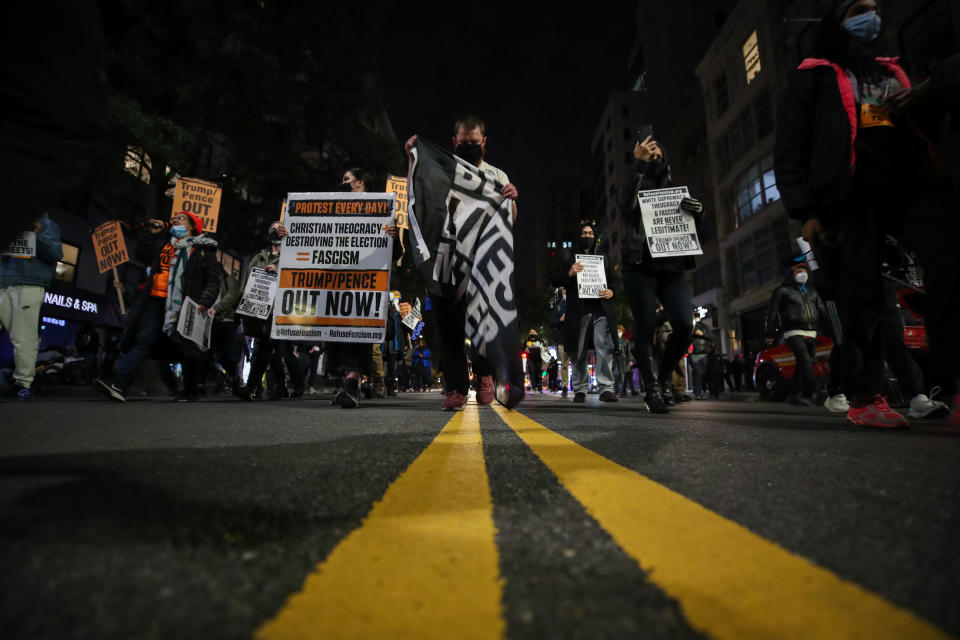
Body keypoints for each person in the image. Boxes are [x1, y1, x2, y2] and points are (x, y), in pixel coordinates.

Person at [773, 0, 957, 427]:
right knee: (864, 297)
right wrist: (806, 212)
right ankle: (864, 396)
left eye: (875, 7)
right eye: (859, 8)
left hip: (914, 187)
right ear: (838, 20)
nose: (871, 16)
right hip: (850, 197)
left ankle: (948, 385)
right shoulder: (812, 77)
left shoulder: (892, 70)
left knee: (948, 268)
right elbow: (790, 150)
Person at [404, 115, 519, 410]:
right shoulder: (442, 171)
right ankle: (455, 387)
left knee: (481, 317)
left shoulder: (497, 176)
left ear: (484, 142)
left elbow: (510, 218)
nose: (469, 146)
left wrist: (511, 200)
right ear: (454, 142)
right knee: (447, 323)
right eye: (463, 142)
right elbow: (418, 196)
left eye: (474, 142)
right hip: (445, 258)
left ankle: (483, 374)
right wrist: (413, 160)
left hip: (480, 262)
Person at [616, 132, 703, 413]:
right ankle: (651, 387)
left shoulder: (677, 190)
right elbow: (626, 206)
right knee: (644, 326)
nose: (653, 160)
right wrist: (638, 166)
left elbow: (690, 233)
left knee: (684, 325)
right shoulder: (632, 184)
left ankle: (663, 379)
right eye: (648, 155)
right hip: (639, 267)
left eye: (657, 156)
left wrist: (696, 213)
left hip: (672, 268)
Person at [233, 220, 305, 402]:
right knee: (267, 351)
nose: (275, 231)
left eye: (278, 228)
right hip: (261, 312)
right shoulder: (259, 257)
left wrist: (279, 271)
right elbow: (247, 282)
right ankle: (278, 387)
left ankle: (292, 385)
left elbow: (298, 278)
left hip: (282, 311)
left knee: (279, 352)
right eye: (272, 228)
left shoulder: (291, 257)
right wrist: (241, 305)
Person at [552, 221, 619, 403]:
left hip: (601, 309)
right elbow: (554, 279)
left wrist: (612, 291)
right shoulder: (568, 255)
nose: (587, 236)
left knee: (603, 347)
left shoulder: (604, 257)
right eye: (584, 233)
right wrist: (569, 273)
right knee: (578, 350)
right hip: (578, 309)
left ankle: (606, 388)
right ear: (578, 235)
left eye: (590, 233)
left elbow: (615, 281)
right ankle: (580, 389)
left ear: (595, 236)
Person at [0, 213, 62, 400]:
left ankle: (22, 384)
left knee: (24, 337)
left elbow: (55, 253)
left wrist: (34, 234)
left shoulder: (46, 224)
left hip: (28, 283)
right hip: (2, 280)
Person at [764, 259, 828, 406]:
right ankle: (816, 391)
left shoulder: (811, 291)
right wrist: (769, 333)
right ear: (790, 274)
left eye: (804, 270)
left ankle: (795, 393)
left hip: (811, 331)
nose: (802, 274)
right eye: (798, 271)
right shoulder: (782, 291)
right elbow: (772, 312)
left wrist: (830, 327)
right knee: (805, 359)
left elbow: (822, 310)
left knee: (803, 363)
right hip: (792, 331)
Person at [689, 317, 712, 400]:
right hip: (694, 354)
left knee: (703, 373)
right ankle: (697, 393)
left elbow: (711, 337)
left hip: (704, 353)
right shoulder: (691, 327)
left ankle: (703, 391)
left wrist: (702, 334)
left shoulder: (705, 327)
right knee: (697, 373)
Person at [524, 329, 545, 393]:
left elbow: (544, 347)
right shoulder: (527, 340)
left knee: (538, 374)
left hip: (538, 359)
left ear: (536, 333)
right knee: (532, 372)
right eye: (531, 332)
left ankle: (539, 388)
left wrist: (544, 349)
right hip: (530, 359)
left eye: (533, 332)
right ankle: (533, 388)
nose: (532, 333)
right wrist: (525, 350)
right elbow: (522, 348)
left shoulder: (540, 340)